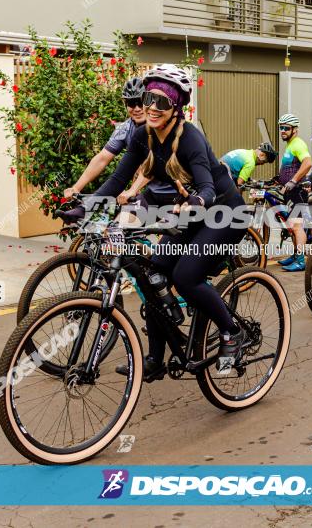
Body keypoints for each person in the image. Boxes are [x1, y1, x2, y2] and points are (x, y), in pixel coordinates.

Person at [68, 64, 248, 378]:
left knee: (186, 277)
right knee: (154, 275)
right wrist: (84, 207)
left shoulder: (189, 138)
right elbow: (119, 179)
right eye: (149, 98)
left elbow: (206, 186)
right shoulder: (142, 136)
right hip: (188, 215)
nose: (151, 107)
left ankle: (232, 332)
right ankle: (154, 359)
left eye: (161, 102)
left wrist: (196, 201)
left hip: (224, 212)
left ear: (176, 106)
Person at [63, 76, 177, 204]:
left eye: (141, 102)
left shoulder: (162, 127)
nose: (137, 108)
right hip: (148, 193)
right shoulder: (125, 129)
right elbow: (102, 159)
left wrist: (133, 189)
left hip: (175, 192)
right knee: (118, 222)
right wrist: (76, 187)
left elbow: (154, 162)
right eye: (131, 104)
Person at [276, 113, 312, 272]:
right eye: (281, 128)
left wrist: (293, 181)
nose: (283, 131)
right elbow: (291, 166)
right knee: (292, 226)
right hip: (289, 192)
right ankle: (295, 254)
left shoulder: (298, 144)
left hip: (297, 192)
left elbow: (308, 163)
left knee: (297, 226)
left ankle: (300, 260)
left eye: (286, 128)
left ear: (295, 130)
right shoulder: (290, 144)